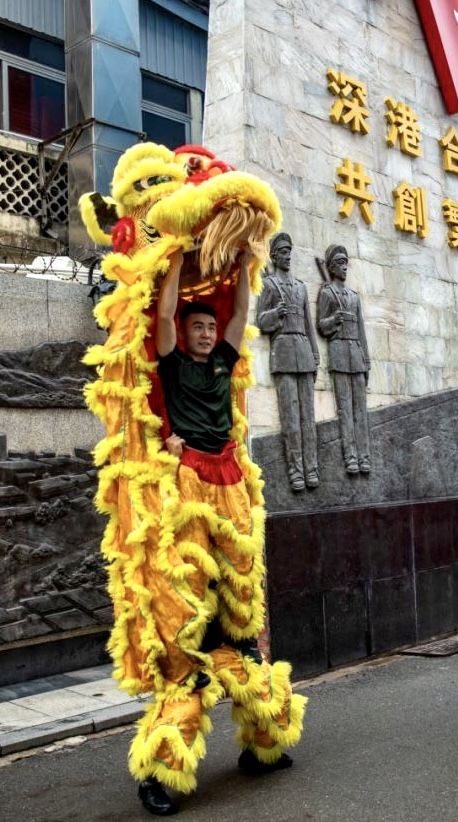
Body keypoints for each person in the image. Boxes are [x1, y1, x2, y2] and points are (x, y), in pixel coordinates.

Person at [144, 250, 306, 813]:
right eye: (200, 327)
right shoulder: (174, 359)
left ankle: (263, 740)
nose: (209, 333)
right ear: (184, 334)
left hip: (230, 476)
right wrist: (176, 260)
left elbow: (241, 311)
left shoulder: (223, 358)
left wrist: (241, 262)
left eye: (211, 327)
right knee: (190, 606)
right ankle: (162, 766)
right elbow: (162, 316)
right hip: (189, 478)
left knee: (243, 602)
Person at [255, 233, 321, 491]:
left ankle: (312, 468)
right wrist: (275, 313)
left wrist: (315, 355)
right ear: (274, 256)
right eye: (283, 251)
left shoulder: (300, 287)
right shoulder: (270, 286)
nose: (288, 255)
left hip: (303, 352)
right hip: (282, 353)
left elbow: (308, 325)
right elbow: (261, 321)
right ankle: (296, 472)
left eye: (289, 251)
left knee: (308, 418)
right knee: (291, 419)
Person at [317, 244, 373, 475]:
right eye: (339, 263)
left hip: (356, 356)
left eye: (345, 262)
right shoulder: (326, 293)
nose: (344, 267)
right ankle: (350, 456)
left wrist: (366, 361)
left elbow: (361, 331)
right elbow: (321, 325)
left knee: (360, 410)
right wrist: (334, 320)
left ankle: (365, 455)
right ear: (330, 267)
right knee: (346, 411)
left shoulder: (353, 297)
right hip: (339, 355)